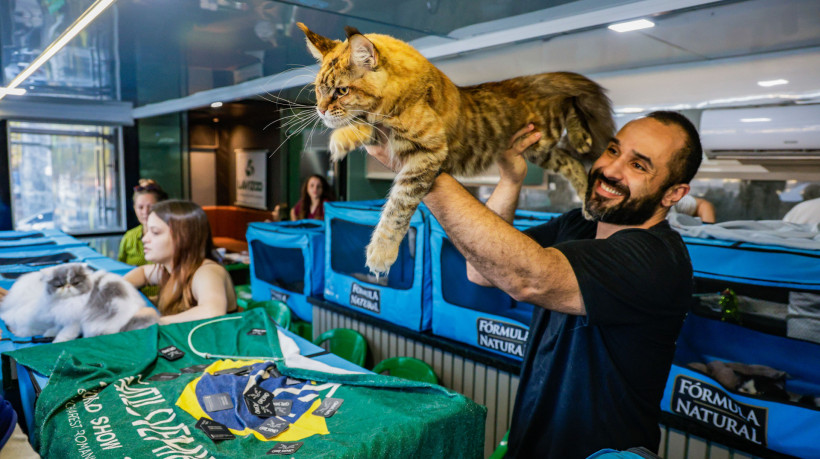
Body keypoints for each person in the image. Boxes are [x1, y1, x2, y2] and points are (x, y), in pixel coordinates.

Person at [365, 111, 702, 458]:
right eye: (614, 151)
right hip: (532, 443)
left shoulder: (657, 259)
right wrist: (510, 180)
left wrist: (422, 172)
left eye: (639, 166)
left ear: (673, 193)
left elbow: (527, 278)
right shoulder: (579, 225)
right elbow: (483, 270)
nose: (612, 170)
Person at [125, 200, 237, 325]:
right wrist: (118, 288)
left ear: (182, 237)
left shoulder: (207, 271)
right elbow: (143, 272)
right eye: (147, 231)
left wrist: (156, 321)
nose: (145, 239)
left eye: (155, 232)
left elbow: (213, 312)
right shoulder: (169, 268)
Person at [118, 179, 168, 266]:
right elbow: (119, 267)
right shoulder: (128, 237)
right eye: (140, 207)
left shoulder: (169, 236)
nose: (145, 212)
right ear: (134, 208)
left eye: (151, 207)